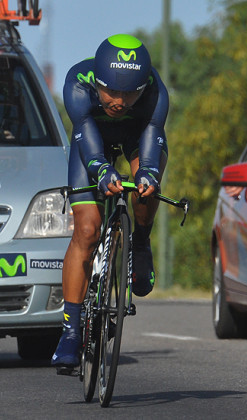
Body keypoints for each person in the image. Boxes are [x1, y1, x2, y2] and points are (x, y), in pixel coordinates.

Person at [51, 34, 169, 369]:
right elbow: (86, 139)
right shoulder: (77, 82)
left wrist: (147, 175)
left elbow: (151, 144)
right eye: (111, 92)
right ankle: (71, 332)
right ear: (97, 83)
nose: (120, 100)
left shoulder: (156, 92)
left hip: (137, 138)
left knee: (147, 186)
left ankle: (141, 244)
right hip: (91, 142)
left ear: (143, 86)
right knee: (87, 230)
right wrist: (102, 171)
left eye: (131, 93)